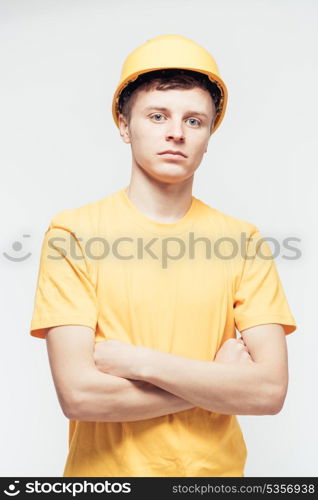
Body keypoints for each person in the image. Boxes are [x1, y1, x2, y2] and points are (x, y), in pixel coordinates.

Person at [29, 34, 297, 477]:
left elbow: (268, 393)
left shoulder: (243, 241)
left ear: (209, 136)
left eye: (195, 120)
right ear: (123, 124)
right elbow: (79, 395)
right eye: (158, 115)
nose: (176, 131)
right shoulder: (73, 234)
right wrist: (217, 381)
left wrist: (141, 363)